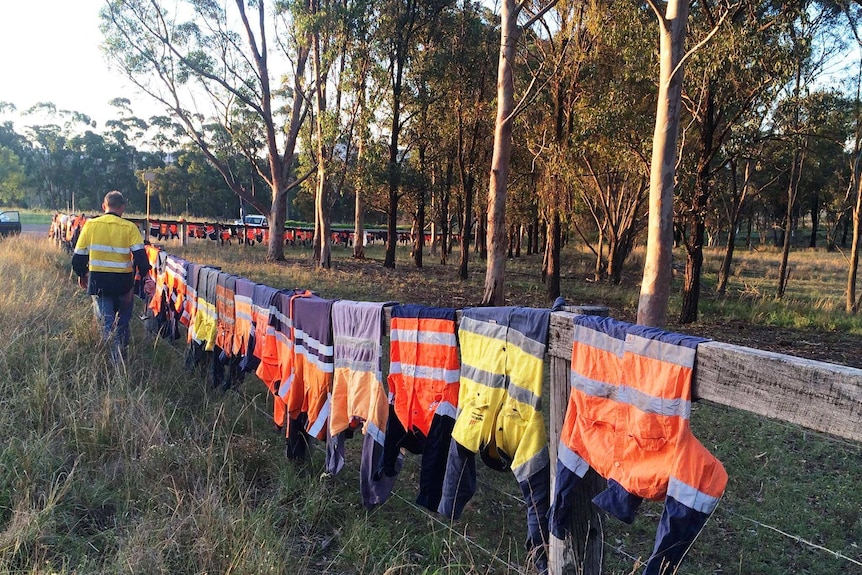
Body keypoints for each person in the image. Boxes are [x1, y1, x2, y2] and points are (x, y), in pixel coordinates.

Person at [72, 191, 155, 363]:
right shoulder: (130, 228)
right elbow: (141, 258)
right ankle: (121, 357)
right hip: (124, 285)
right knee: (122, 323)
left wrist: (82, 274)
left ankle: (113, 362)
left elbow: (78, 258)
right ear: (122, 208)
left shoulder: (90, 225)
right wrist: (146, 276)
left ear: (104, 206)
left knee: (107, 325)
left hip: (99, 283)